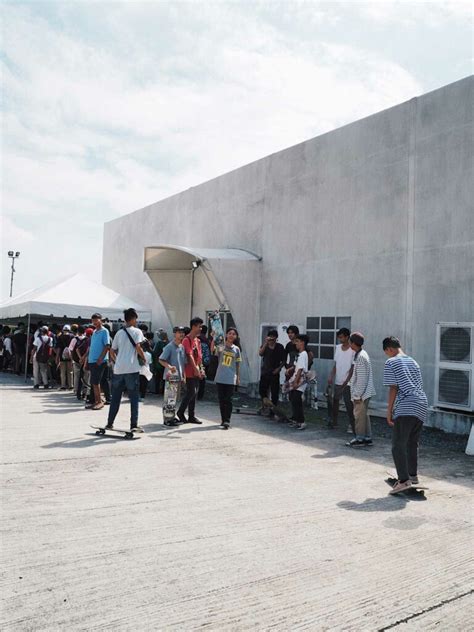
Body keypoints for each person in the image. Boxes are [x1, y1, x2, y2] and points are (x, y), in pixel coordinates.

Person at [383, 336, 428, 495]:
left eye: (387, 353)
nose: (387, 356)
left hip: (407, 406)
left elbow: (393, 388)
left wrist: (389, 412)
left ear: (389, 349)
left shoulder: (391, 362)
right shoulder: (413, 362)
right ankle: (412, 476)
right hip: (421, 404)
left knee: (397, 445)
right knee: (411, 443)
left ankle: (403, 480)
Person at [106, 308, 146, 432]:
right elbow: (138, 347)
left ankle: (109, 423)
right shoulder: (137, 331)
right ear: (133, 318)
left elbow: (112, 351)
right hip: (131, 368)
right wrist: (144, 358)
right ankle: (133, 425)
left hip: (118, 369)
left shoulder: (119, 333)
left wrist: (117, 361)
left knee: (116, 398)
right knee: (133, 398)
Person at [346, 332, 376, 447]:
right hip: (365, 392)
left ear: (353, 343)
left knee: (358, 416)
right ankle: (367, 437)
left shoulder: (361, 357)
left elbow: (361, 379)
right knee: (364, 415)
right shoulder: (361, 354)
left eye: (350, 341)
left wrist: (357, 395)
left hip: (362, 394)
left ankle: (360, 438)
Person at [176, 317, 205, 425]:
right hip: (188, 371)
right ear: (193, 327)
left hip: (196, 370)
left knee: (194, 393)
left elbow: (199, 356)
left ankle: (191, 415)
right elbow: (189, 355)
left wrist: (201, 369)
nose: (200, 329)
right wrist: (195, 368)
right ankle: (180, 412)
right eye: (199, 326)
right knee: (191, 391)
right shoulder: (186, 340)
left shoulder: (197, 341)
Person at [327, 328, 355, 432]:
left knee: (349, 405)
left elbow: (353, 367)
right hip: (338, 380)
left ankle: (352, 425)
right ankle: (334, 422)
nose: (340, 339)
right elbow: (336, 364)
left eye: (342, 337)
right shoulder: (338, 348)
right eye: (339, 337)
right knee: (335, 402)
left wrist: (347, 380)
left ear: (347, 337)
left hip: (348, 382)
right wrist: (331, 376)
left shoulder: (352, 349)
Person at [213, 327, 241, 428]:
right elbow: (213, 350)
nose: (231, 335)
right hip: (220, 377)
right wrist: (213, 338)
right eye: (229, 333)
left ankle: (227, 420)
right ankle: (223, 419)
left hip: (231, 378)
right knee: (221, 399)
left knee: (228, 400)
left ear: (236, 336)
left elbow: (238, 364)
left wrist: (238, 377)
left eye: (233, 334)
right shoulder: (221, 346)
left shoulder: (236, 349)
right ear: (226, 335)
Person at [159, 326, 186, 426]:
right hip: (170, 376)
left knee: (174, 399)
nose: (181, 334)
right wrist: (169, 367)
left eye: (183, 332)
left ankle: (171, 417)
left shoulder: (182, 347)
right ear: (174, 334)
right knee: (169, 399)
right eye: (179, 332)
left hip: (178, 377)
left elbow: (183, 363)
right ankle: (167, 420)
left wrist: (183, 376)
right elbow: (161, 359)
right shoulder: (169, 346)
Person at [87, 313, 111, 410]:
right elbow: (92, 347)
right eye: (93, 321)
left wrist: (100, 358)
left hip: (99, 361)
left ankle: (99, 402)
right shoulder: (94, 332)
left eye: (96, 320)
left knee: (96, 382)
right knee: (94, 382)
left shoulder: (104, 331)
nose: (94, 323)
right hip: (92, 361)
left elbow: (107, 346)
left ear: (101, 320)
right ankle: (95, 401)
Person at [258, 330, 286, 413]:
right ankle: (264, 406)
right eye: (270, 336)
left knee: (275, 392)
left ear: (276, 338)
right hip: (265, 372)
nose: (272, 338)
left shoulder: (280, 347)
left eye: (273, 337)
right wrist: (266, 343)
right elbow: (260, 353)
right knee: (262, 391)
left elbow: (284, 360)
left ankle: (274, 409)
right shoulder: (265, 345)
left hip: (274, 372)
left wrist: (279, 368)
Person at [288, 334, 309, 430]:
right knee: (293, 398)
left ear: (302, 342)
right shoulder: (300, 354)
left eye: (297, 341)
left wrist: (296, 383)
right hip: (296, 379)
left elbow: (300, 369)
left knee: (297, 400)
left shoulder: (303, 354)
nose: (296, 343)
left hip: (300, 381)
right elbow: (297, 367)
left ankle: (302, 421)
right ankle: (296, 420)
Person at [70, 325, 86, 400]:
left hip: (76, 360)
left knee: (76, 376)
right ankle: (84, 391)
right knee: (84, 376)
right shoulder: (87, 339)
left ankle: (76, 390)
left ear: (77, 331)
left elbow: (70, 349)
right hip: (85, 361)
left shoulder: (74, 339)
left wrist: (72, 359)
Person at [56, 324, 74, 390]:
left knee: (62, 372)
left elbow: (58, 348)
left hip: (62, 356)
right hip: (70, 356)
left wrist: (57, 357)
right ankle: (71, 385)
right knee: (70, 371)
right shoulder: (72, 337)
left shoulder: (60, 337)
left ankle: (63, 385)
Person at [152, 330, 168, 394]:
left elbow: (154, 352)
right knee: (164, 378)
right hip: (166, 363)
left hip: (158, 363)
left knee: (157, 378)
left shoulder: (158, 343)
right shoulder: (168, 342)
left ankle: (157, 391)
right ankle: (163, 391)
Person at [197, 325, 212, 400]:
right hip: (205, 362)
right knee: (202, 380)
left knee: (196, 378)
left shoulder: (197, 339)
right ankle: (200, 395)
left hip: (197, 361)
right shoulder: (207, 340)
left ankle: (194, 394)